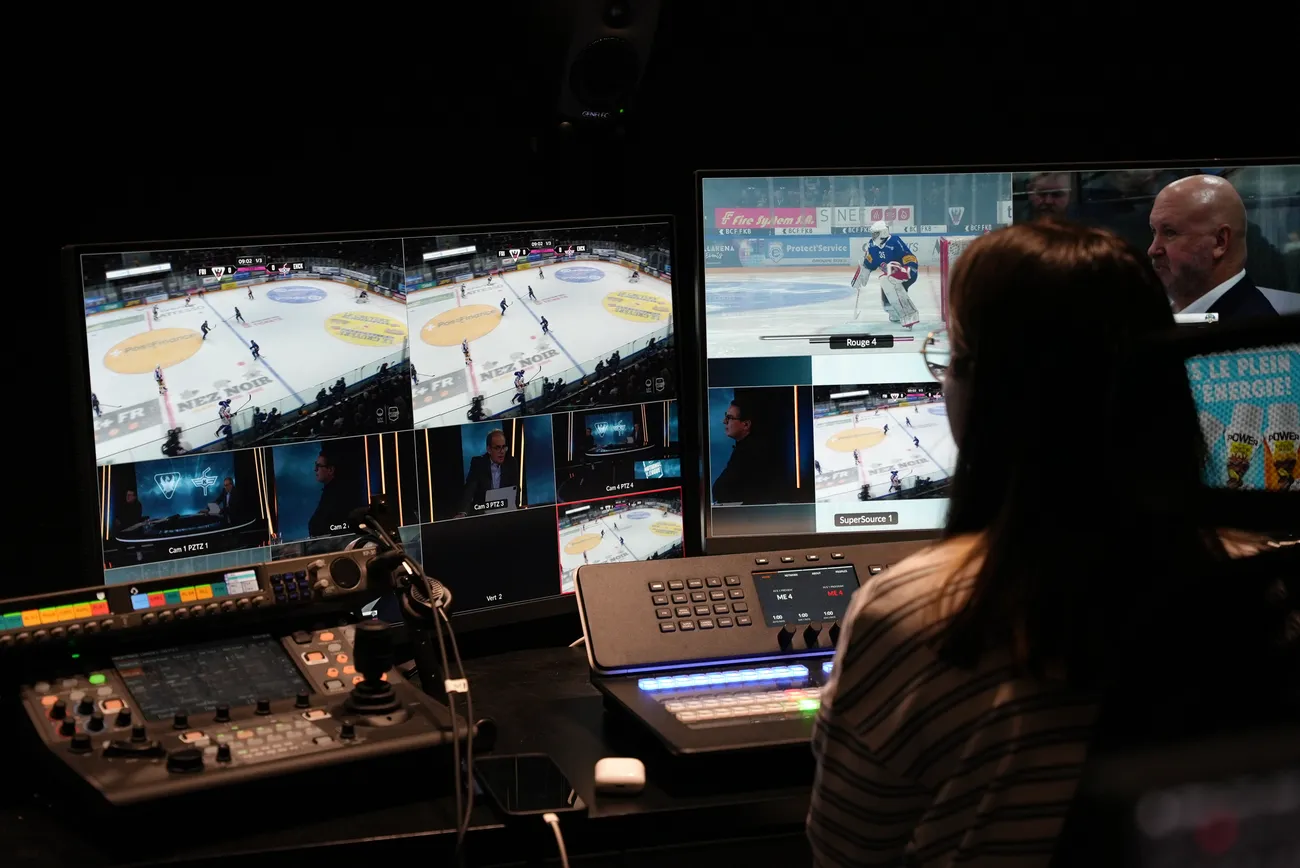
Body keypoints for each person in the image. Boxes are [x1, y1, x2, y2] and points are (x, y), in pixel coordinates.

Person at [808, 221, 1275, 866]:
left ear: (993, 393)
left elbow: (846, 853)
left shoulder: (914, 616)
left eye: (952, 353)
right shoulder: (1262, 589)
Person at [1148, 174, 1280, 320]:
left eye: (1170, 233)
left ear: (1219, 242)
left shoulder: (1249, 328)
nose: (1152, 250)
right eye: (1154, 231)